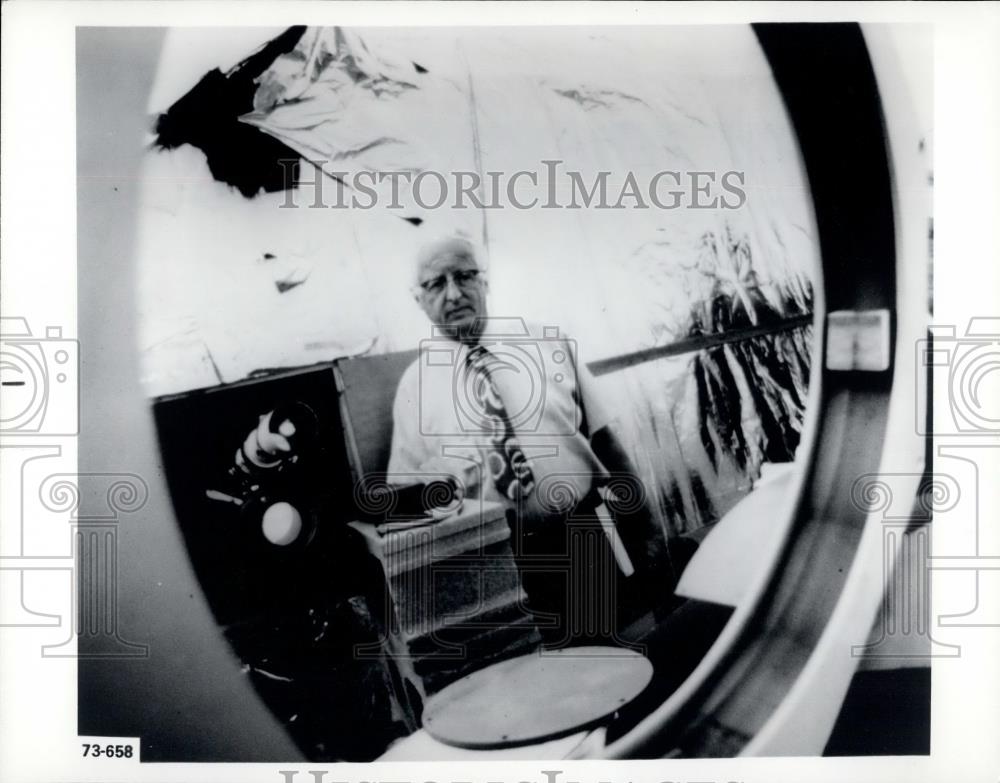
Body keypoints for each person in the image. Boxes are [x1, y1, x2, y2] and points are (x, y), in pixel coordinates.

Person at [387, 235, 675, 647]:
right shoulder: (413, 389)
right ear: (418, 299)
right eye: (436, 284)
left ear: (485, 281)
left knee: (627, 662)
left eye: (464, 276)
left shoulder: (547, 344)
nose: (453, 294)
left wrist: (648, 534)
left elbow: (608, 447)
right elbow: (410, 501)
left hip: (582, 538)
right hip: (499, 565)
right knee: (548, 690)